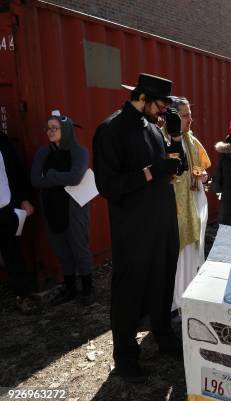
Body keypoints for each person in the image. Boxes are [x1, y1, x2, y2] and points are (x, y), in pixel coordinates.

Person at [93, 73, 184, 383]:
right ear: (143, 98)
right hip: (133, 229)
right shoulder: (111, 130)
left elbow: (177, 167)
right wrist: (148, 173)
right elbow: (107, 185)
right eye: (160, 105)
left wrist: (174, 138)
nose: (163, 112)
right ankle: (125, 356)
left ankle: (163, 336)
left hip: (162, 222)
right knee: (129, 291)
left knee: (163, 281)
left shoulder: (154, 128)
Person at [30, 112, 94, 306]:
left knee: (79, 247)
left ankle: (88, 288)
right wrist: (59, 177)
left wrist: (50, 176)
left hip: (73, 208)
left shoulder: (79, 151)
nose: (50, 132)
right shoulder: (43, 153)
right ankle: (70, 288)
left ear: (65, 130)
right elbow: (35, 180)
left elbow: (75, 177)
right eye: (48, 128)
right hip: (51, 206)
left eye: (54, 128)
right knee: (62, 249)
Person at [164, 100, 211, 312]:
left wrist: (201, 175)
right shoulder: (165, 140)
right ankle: (176, 302)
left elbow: (199, 168)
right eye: (184, 116)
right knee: (179, 255)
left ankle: (191, 293)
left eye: (190, 115)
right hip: (176, 208)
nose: (190, 119)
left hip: (195, 202)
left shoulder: (191, 140)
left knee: (194, 251)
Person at [0, 131, 37, 310]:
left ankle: (23, 295)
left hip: (6, 209)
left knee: (13, 253)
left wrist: (24, 199)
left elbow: (17, 173)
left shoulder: (3, 143)